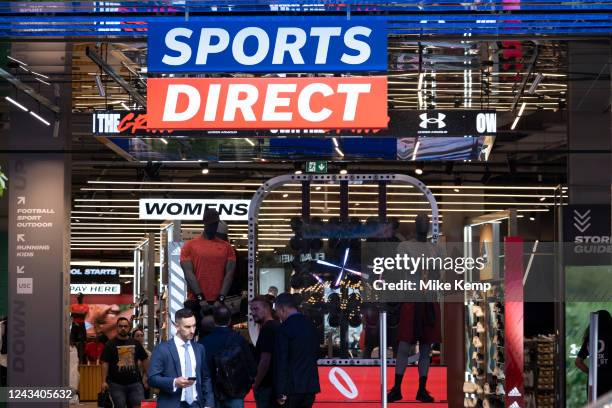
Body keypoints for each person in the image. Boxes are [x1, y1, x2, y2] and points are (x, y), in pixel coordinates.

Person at [387, 214, 439, 403]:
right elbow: (401, 271)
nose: (423, 225)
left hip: (429, 300)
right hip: (411, 299)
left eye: (426, 223)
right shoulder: (405, 247)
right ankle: (397, 388)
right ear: (416, 225)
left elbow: (438, 275)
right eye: (420, 222)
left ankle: (422, 389)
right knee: (404, 345)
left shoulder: (435, 249)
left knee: (426, 347)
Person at [148, 308, 214, 408]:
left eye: (194, 326)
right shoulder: (162, 349)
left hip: (196, 404)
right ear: (176, 326)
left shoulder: (199, 349)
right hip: (172, 403)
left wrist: (209, 404)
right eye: (187, 327)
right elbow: (152, 378)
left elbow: (205, 378)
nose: (192, 330)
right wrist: (174, 382)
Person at [181, 209, 237, 315]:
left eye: (215, 223)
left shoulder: (227, 247)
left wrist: (220, 299)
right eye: (211, 224)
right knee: (194, 330)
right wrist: (200, 298)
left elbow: (229, 274)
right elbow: (188, 274)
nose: (213, 226)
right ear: (205, 223)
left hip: (218, 301)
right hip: (197, 300)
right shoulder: (189, 246)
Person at [199, 305, 256, 408]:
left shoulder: (203, 342)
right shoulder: (239, 340)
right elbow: (251, 366)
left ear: (214, 321)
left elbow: (200, 369)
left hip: (213, 391)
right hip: (235, 389)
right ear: (230, 320)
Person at [274, 293, 320, 408]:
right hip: (310, 385)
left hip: (292, 388)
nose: (278, 315)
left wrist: (280, 390)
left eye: (277, 311)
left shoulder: (284, 328)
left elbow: (281, 361)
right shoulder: (311, 325)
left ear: (283, 309)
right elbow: (317, 353)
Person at [100, 317, 149, 408]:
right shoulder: (110, 344)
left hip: (135, 383)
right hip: (116, 384)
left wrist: (147, 376)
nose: (123, 328)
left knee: (139, 406)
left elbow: (145, 359)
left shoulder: (135, 343)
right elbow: (105, 363)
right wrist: (103, 381)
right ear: (117, 328)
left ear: (129, 328)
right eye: (120, 326)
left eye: (125, 326)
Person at [250, 296, 280, 408]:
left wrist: (256, 384)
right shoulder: (273, 326)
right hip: (272, 385)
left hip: (267, 386)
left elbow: (265, 360)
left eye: (256, 309)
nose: (253, 313)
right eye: (251, 310)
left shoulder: (268, 328)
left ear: (266, 309)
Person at [575, 309, 612, 399]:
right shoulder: (610, 337)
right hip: (609, 381)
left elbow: (578, 362)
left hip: (593, 383)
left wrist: (591, 372)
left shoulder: (590, 338)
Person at [133, 328, 152, 399]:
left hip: (144, 383)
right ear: (133, 338)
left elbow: (148, 369)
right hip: (131, 383)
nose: (140, 338)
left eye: (141, 335)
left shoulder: (148, 354)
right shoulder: (130, 352)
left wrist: (145, 381)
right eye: (137, 336)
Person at [70, 293, 89, 364]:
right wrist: (79, 314)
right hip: (75, 324)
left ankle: (82, 361)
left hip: (81, 325)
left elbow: (83, 316)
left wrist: (76, 314)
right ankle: (73, 359)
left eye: (80, 297)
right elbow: (72, 315)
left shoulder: (85, 306)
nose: (78, 298)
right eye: (77, 297)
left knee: (83, 343)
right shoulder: (73, 306)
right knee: (72, 342)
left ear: (82, 297)